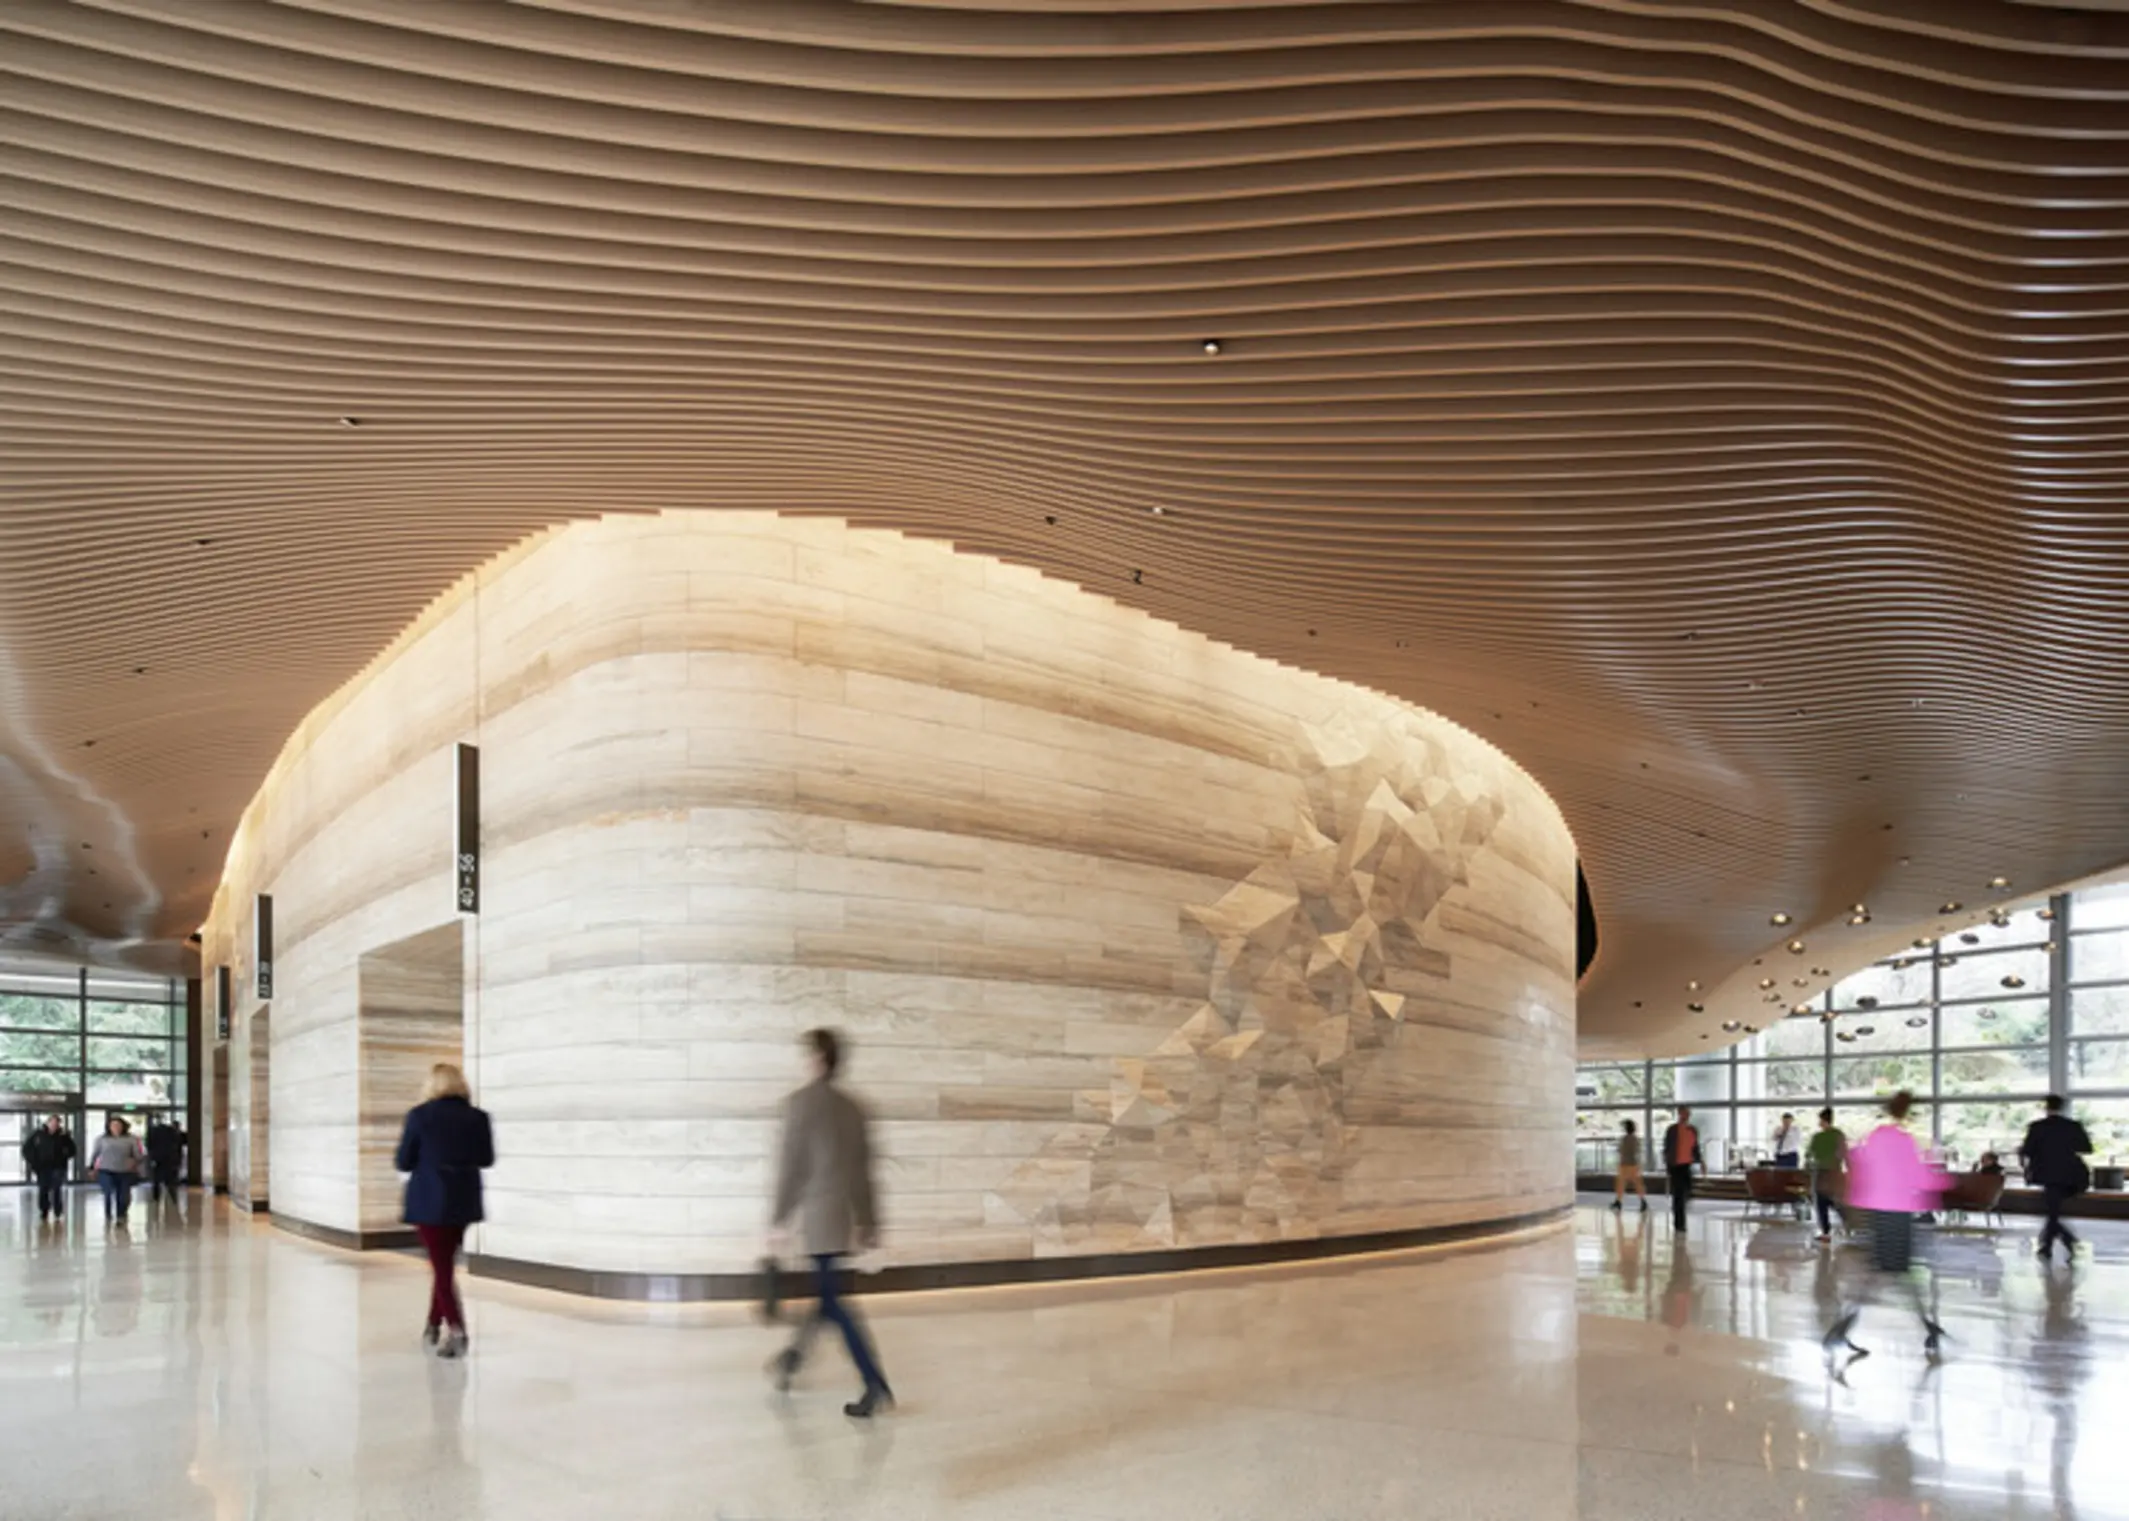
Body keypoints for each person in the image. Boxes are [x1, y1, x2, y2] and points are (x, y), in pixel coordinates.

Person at [767, 1028, 894, 1418]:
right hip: (842, 1220)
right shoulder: (855, 1108)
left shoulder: (802, 1104)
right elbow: (865, 1172)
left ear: (819, 1059)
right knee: (826, 1296)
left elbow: (792, 1167)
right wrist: (869, 1222)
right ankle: (792, 1358)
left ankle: (874, 1382)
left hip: (818, 1220)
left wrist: (778, 1219)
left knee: (835, 1305)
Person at [1820, 1091, 1950, 1363]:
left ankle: (1845, 1328)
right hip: (1898, 1214)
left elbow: (1861, 1165)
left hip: (1880, 1212)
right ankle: (1926, 1327)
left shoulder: (1876, 1138)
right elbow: (1917, 1176)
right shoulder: (1901, 1140)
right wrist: (1945, 1183)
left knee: (1883, 1270)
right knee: (1894, 1271)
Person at [394, 1063, 495, 1359]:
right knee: (443, 1265)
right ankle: (432, 1323)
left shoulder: (419, 1117)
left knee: (441, 1267)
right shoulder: (478, 1118)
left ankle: (457, 1329)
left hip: (429, 1200)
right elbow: (486, 1158)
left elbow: (403, 1161)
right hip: (463, 1200)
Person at [2020, 1094, 2094, 1264]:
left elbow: (2028, 1151)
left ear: (2046, 1107)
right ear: (2062, 1107)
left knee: (2052, 1212)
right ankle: (2048, 1246)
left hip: (2047, 1174)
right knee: (2052, 1211)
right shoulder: (2073, 1126)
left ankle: (2065, 1242)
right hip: (2072, 1174)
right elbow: (2086, 1148)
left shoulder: (2037, 1127)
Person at [87, 1116, 146, 1225]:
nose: (116, 1128)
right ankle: (108, 1213)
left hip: (125, 1171)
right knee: (108, 1192)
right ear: (108, 1127)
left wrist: (135, 1162)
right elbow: (95, 1154)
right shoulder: (102, 1139)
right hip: (106, 1170)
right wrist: (91, 1167)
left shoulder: (131, 1139)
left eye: (118, 1125)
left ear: (123, 1127)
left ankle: (121, 1213)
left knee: (123, 1195)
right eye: (113, 1125)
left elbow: (139, 1155)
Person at [21, 1115, 77, 1223]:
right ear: (47, 1123)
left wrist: (64, 1155)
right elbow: (27, 1149)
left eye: (56, 1123)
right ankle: (44, 1209)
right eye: (52, 1123)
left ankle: (57, 1210)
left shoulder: (63, 1136)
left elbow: (72, 1150)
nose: (54, 1125)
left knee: (56, 1188)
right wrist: (33, 1161)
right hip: (42, 1167)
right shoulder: (38, 1135)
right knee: (43, 1189)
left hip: (58, 1167)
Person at [1806, 1107, 1848, 1243]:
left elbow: (1809, 1155)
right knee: (1837, 1201)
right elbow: (1844, 1153)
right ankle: (1849, 1223)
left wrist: (1808, 1167)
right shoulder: (1839, 1135)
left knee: (1821, 1203)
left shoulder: (1817, 1137)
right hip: (1835, 1172)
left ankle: (1825, 1232)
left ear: (1822, 1121)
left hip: (1821, 1173)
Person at [1660, 1106, 1703, 1232]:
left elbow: (1695, 1148)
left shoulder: (1692, 1130)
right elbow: (1667, 1147)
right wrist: (1668, 1164)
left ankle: (1680, 1215)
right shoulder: (1672, 1130)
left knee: (1686, 1191)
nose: (1686, 1116)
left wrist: (1701, 1161)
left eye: (1688, 1114)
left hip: (1686, 1165)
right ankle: (1679, 1223)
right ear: (1679, 1114)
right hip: (1676, 1165)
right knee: (1678, 1194)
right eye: (1684, 1113)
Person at [144, 1117, 187, 1205]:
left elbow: (148, 1145)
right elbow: (180, 1143)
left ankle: (156, 1198)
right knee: (171, 1181)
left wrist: (151, 1157)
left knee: (156, 1180)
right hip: (171, 1159)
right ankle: (173, 1198)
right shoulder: (173, 1132)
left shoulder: (153, 1131)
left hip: (157, 1159)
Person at [1610, 1118, 1648, 1212]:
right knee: (1638, 1184)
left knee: (1621, 1184)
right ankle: (1643, 1201)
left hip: (1624, 1164)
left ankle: (1618, 1201)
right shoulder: (1636, 1139)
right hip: (1634, 1164)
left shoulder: (1624, 1139)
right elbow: (1638, 1151)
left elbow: (1620, 1150)